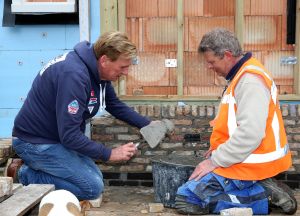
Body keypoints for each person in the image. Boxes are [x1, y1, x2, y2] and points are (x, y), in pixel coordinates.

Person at [7, 31, 153, 201]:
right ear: (104, 60)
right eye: (122, 67)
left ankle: (41, 169)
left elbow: (114, 105)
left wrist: (148, 124)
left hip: (56, 140)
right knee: (92, 188)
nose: (126, 72)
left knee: (96, 177)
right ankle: (24, 174)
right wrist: (109, 154)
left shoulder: (98, 72)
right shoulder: (74, 76)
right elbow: (69, 135)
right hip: (34, 142)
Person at [175, 28, 297, 215]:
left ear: (227, 55)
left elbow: (250, 134)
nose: (209, 67)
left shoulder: (249, 81)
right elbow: (234, 123)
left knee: (186, 199)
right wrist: (218, 150)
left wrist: (214, 161)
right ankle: (258, 187)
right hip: (240, 158)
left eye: (212, 62)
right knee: (194, 189)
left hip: (249, 163)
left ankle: (263, 195)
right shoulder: (241, 76)